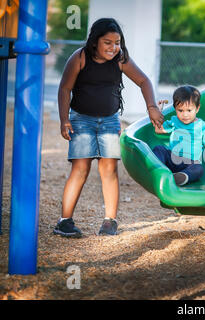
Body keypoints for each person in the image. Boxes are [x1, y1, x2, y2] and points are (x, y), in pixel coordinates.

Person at [53, 18, 164, 238]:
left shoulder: (121, 59)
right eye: (108, 42)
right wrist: (64, 119)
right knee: (80, 169)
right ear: (95, 41)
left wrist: (151, 106)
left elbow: (143, 81)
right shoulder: (80, 57)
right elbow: (65, 88)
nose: (114, 47)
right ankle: (64, 222)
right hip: (81, 120)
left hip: (110, 121)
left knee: (109, 169)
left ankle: (109, 221)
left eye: (117, 42)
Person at [153, 85, 205, 186]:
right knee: (159, 149)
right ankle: (158, 171)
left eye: (189, 110)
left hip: (189, 163)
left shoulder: (203, 127)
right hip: (172, 157)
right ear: (175, 109)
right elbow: (158, 129)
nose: (185, 115)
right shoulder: (174, 121)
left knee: (198, 169)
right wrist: (158, 113)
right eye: (180, 110)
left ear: (197, 108)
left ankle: (181, 176)